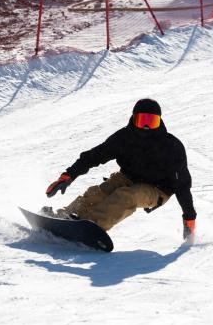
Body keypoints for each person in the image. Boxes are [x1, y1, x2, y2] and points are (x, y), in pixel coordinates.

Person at [44, 98, 197, 241]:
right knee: (98, 192)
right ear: (134, 119)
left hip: (158, 189)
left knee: (126, 196)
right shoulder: (124, 137)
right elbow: (94, 156)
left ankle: (93, 226)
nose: (146, 127)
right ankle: (65, 217)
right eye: (142, 120)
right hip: (129, 177)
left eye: (151, 122)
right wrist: (68, 176)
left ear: (160, 122)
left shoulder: (171, 146)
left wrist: (189, 218)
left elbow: (182, 185)